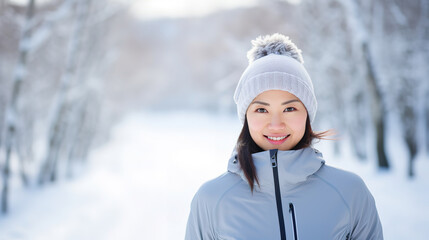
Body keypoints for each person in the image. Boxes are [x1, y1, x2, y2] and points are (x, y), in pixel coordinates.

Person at [185, 33, 383, 240]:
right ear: (246, 118)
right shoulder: (211, 199)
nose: (276, 124)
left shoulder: (350, 193)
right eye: (262, 110)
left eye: (289, 108)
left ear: (307, 113)